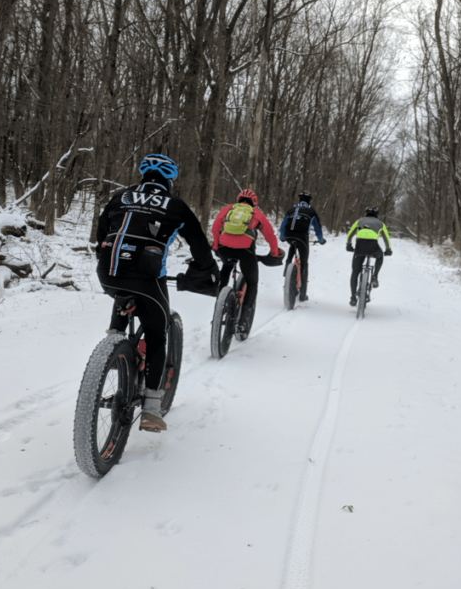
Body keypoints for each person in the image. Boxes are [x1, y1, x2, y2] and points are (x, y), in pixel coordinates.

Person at [96, 153, 219, 432]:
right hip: (148, 277)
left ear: (143, 175)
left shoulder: (121, 196)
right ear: (169, 180)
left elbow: (101, 232)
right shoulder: (175, 206)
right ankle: (152, 408)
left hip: (107, 272)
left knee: (122, 291)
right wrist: (207, 271)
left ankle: (114, 344)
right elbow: (199, 244)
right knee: (156, 331)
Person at [211, 188, 282, 335]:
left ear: (238, 199)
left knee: (226, 267)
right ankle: (243, 321)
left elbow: (216, 226)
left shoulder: (228, 208)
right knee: (252, 282)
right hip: (245, 251)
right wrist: (274, 253)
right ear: (254, 202)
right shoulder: (256, 214)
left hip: (225, 247)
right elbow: (270, 236)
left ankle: (219, 307)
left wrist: (216, 246)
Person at [278, 191, 326, 301]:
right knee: (304, 264)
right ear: (309, 200)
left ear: (299, 200)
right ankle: (303, 294)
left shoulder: (291, 209)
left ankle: (287, 268)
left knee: (292, 245)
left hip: (289, 235)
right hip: (302, 237)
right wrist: (321, 240)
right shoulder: (311, 211)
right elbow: (317, 228)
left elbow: (283, 224)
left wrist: (282, 237)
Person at [346, 206, 392, 307]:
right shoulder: (380, 223)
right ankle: (375, 276)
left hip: (359, 247)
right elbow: (386, 238)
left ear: (366, 213)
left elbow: (350, 233)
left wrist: (348, 245)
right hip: (373, 246)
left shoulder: (359, 221)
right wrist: (388, 249)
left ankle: (353, 298)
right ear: (376, 215)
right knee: (380, 257)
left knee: (355, 273)